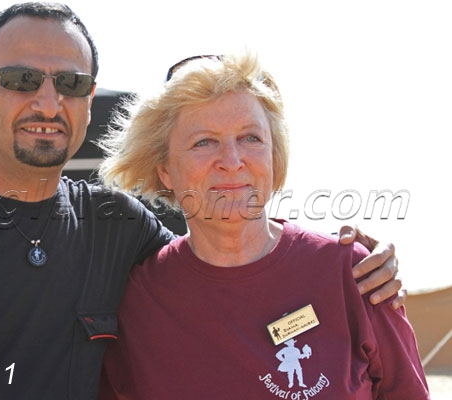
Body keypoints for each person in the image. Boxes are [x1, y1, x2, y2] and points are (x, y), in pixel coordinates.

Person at [0, 3, 401, 399]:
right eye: (22, 80)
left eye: (70, 84)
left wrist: (338, 258)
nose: (48, 102)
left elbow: (227, 255)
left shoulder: (116, 228)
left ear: (87, 99)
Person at [98, 53, 428, 399]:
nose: (232, 161)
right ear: (164, 168)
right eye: (204, 142)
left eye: (250, 138)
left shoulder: (355, 273)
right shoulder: (136, 300)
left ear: (274, 154)